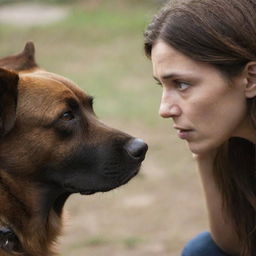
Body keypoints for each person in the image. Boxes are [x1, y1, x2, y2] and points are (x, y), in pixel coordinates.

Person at [144, 0, 256, 255]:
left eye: (182, 84)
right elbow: (233, 245)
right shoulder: (235, 143)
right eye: (162, 86)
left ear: (249, 79)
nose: (164, 109)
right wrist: (206, 156)